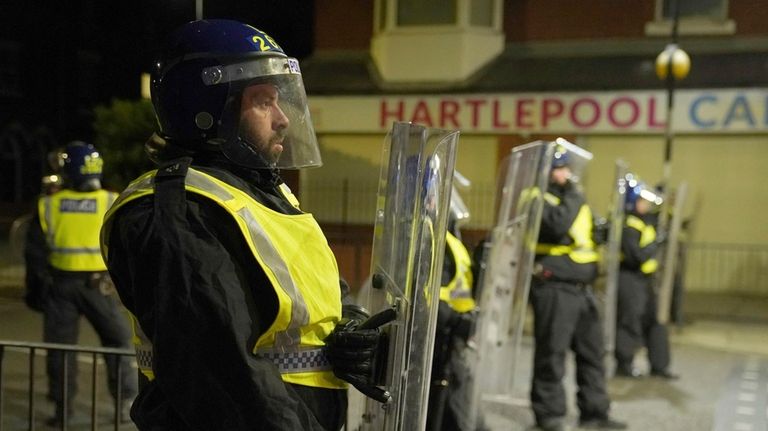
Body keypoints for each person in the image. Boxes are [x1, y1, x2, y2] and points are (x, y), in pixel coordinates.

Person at [99, 19, 386, 430]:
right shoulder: (182, 210)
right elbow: (224, 374)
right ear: (207, 110)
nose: (283, 118)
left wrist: (348, 328)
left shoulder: (265, 195)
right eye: (263, 101)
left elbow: (317, 297)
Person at [23, 141, 137, 426]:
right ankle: (124, 404)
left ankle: (63, 411)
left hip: (60, 288)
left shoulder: (50, 204)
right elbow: (128, 248)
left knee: (61, 350)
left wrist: (35, 293)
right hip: (100, 287)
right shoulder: (112, 201)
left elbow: (35, 255)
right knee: (118, 343)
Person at [529, 144, 626, 431]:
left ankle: (595, 411)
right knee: (552, 353)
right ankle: (549, 415)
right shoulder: (535, 196)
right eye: (561, 169)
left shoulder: (571, 199)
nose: (567, 175)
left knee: (592, 353)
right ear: (546, 171)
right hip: (554, 287)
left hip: (582, 288)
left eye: (567, 169)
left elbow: (581, 234)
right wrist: (574, 196)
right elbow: (556, 226)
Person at [427, 191, 482, 431]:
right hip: (440, 335)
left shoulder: (446, 237)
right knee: (452, 406)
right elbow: (424, 295)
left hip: (450, 333)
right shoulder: (429, 238)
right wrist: (457, 320)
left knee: (455, 405)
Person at [614, 179, 677, 379]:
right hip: (630, 278)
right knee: (630, 321)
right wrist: (656, 244)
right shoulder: (629, 225)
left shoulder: (644, 220)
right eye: (642, 201)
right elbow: (637, 256)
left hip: (646, 280)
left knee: (655, 321)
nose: (646, 205)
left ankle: (660, 365)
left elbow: (661, 214)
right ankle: (624, 364)